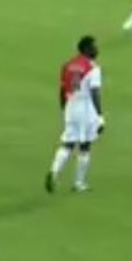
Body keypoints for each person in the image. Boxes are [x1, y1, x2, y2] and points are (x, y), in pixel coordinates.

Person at [46, 36, 104, 194]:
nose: (96, 49)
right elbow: (95, 92)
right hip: (85, 108)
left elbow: (62, 89)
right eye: (93, 47)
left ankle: (54, 171)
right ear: (86, 49)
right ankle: (79, 183)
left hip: (71, 105)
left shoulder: (68, 65)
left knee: (68, 143)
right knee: (85, 146)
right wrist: (100, 116)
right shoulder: (93, 68)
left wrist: (64, 109)